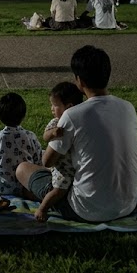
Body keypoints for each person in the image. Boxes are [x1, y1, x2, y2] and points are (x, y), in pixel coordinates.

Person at [15, 45, 137, 223]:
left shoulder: (73, 115)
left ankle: (40, 198)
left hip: (86, 208)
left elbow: (47, 161)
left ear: (79, 81)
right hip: (127, 204)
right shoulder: (128, 108)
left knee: (22, 169)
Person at [34, 81, 84, 221]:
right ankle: (43, 209)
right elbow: (45, 136)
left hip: (72, 167)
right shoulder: (56, 123)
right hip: (62, 169)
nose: (51, 108)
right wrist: (53, 134)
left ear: (68, 107)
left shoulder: (70, 121)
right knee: (58, 190)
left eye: (55, 105)